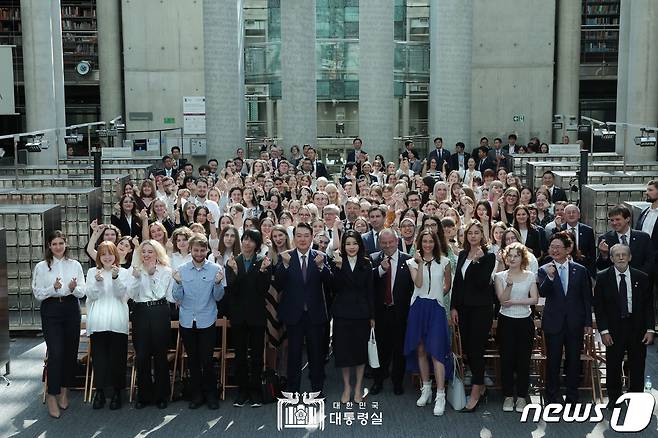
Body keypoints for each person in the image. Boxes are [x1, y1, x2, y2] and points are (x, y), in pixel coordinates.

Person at [32, 231, 86, 418]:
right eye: (54, 244)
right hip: (51, 309)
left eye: (61, 243)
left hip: (71, 308)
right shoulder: (41, 267)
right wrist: (52, 288)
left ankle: (65, 390)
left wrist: (73, 289)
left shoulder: (75, 265)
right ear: (49, 246)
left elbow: (82, 291)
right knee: (56, 353)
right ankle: (51, 395)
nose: (58, 247)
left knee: (70, 352)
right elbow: (38, 294)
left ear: (66, 244)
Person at [593, 244, 655, 408]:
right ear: (611, 258)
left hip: (637, 327)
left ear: (630, 257)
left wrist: (650, 329)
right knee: (613, 364)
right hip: (613, 328)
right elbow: (599, 307)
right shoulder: (603, 277)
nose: (621, 257)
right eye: (617, 255)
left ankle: (636, 399)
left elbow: (648, 305)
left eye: (624, 255)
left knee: (637, 364)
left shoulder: (641, 277)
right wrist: (604, 331)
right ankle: (614, 399)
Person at [275, 222, 332, 394]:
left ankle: (317, 389)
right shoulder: (286, 257)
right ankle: (293, 390)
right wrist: (284, 266)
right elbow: (278, 283)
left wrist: (322, 267)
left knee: (316, 354)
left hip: (315, 314)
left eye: (306, 235)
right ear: (294, 238)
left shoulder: (320, 256)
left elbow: (331, 283)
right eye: (298, 235)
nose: (302, 239)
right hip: (294, 314)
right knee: (294, 354)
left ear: (312, 237)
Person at [537, 231, 592, 404]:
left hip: (575, 322)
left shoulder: (580, 270)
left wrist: (588, 322)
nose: (554, 250)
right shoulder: (544, 268)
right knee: (553, 361)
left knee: (574, 361)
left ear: (568, 249)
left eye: (558, 247)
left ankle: (572, 397)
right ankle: (552, 397)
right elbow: (543, 292)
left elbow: (586, 298)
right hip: (554, 322)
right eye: (552, 247)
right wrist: (551, 277)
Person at [172, 233, 224, 410]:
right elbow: (176, 297)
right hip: (187, 321)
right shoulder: (182, 269)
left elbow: (218, 297)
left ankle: (211, 394)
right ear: (191, 250)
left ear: (207, 250)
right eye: (196, 250)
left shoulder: (215, 269)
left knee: (207, 360)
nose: (199, 253)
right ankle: (196, 394)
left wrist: (218, 284)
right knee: (193, 360)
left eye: (202, 250)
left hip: (207, 320)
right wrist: (178, 283)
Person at [405, 230, 452, 416]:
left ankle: (440, 394)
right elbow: (418, 283)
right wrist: (419, 263)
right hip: (418, 308)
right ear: (419, 243)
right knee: (422, 349)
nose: (427, 244)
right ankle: (426, 389)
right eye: (424, 241)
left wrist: (438, 295)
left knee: (437, 351)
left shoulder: (445, 262)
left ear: (436, 242)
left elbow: (448, 285)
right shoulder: (411, 262)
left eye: (430, 241)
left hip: (436, 309)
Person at [450, 221, 496, 412]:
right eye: (470, 233)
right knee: (468, 349)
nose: (473, 236)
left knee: (476, 349)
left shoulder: (488, 256)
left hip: (481, 309)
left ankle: (476, 390)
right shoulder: (461, 254)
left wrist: (477, 261)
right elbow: (458, 284)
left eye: (477, 233)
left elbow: (481, 282)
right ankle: (481, 383)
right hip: (463, 309)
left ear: (482, 235)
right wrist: (453, 307)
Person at [225, 229, 272, 407]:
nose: (247, 243)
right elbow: (232, 290)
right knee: (240, 355)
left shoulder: (263, 261)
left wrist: (262, 272)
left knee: (257, 355)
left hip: (257, 315)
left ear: (257, 244)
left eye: (252, 241)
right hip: (238, 316)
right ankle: (242, 390)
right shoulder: (232, 262)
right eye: (245, 239)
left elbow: (263, 290)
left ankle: (255, 391)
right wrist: (236, 273)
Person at [127, 240, 175, 409]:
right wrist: (136, 278)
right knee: (142, 355)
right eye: (144, 252)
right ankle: (144, 395)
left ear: (157, 253)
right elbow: (131, 294)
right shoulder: (135, 270)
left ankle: (162, 395)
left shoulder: (165, 271)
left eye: (150, 251)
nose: (146, 255)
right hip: (140, 312)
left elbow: (160, 293)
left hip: (159, 311)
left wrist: (152, 274)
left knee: (160, 354)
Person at [329, 230, 375, 403]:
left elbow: (369, 290)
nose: (351, 247)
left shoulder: (366, 263)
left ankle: (358, 388)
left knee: (360, 352)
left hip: (362, 314)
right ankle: (347, 386)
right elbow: (335, 287)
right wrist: (340, 268)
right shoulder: (337, 262)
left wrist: (372, 316)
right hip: (342, 313)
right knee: (344, 352)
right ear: (343, 246)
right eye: (348, 243)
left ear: (359, 245)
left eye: (354, 243)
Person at [85, 241, 131, 410]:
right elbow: (90, 295)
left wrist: (115, 277)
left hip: (117, 318)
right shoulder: (92, 272)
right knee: (99, 359)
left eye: (110, 253)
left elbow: (123, 295)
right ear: (99, 256)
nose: (107, 257)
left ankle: (118, 392)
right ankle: (100, 391)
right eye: (103, 254)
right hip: (98, 319)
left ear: (115, 255)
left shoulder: (124, 272)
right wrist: (97, 282)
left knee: (117, 358)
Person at [494, 243, 539, 413]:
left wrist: (516, 302)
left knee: (523, 360)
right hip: (506, 321)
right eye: (510, 256)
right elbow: (502, 301)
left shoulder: (530, 276)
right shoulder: (499, 276)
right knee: (506, 359)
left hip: (525, 321)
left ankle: (521, 397)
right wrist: (510, 285)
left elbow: (534, 299)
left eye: (516, 256)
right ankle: (507, 396)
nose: (512, 259)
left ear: (523, 258)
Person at [369, 229, 414, 396]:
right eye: (384, 243)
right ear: (380, 243)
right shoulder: (373, 259)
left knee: (399, 349)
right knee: (380, 349)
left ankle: (397, 382)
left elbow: (412, 288)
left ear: (397, 241)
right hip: (380, 313)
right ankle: (378, 381)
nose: (388, 246)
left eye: (391, 242)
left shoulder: (408, 260)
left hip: (400, 312)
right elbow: (368, 285)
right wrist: (380, 269)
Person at [596, 204, 654, 276]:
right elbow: (601, 267)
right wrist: (604, 255)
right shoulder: (605, 239)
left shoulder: (643, 238)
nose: (614, 223)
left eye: (617, 219)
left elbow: (650, 262)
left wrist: (637, 277)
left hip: (640, 282)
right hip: (615, 283)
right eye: (612, 220)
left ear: (627, 219)